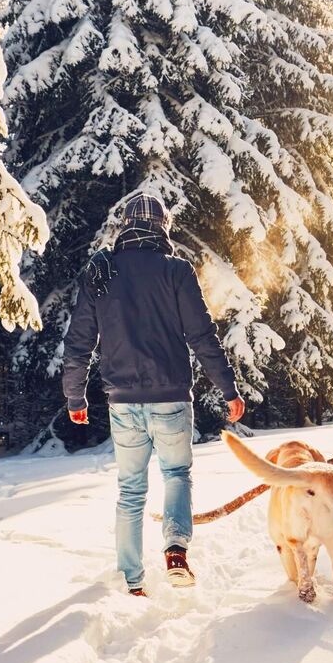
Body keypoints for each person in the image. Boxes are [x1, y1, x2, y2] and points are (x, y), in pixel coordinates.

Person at [62, 193, 245, 596]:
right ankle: (176, 550)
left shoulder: (102, 271)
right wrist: (228, 388)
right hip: (172, 397)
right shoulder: (176, 271)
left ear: (124, 225)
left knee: (130, 489)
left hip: (122, 402)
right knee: (177, 474)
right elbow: (201, 336)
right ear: (162, 227)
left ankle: (132, 581)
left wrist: (76, 398)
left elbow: (79, 342)